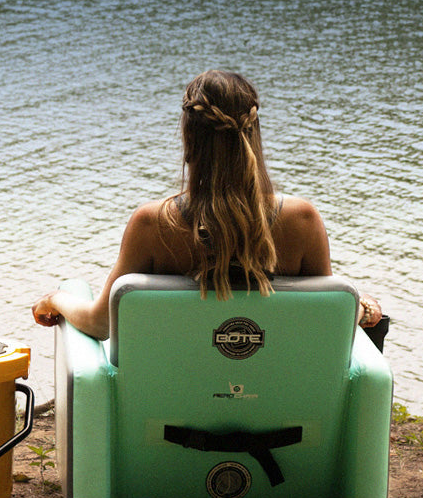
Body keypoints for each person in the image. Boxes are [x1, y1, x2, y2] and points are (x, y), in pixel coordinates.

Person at [30, 70, 388, 348]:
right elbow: (329, 318)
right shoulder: (301, 220)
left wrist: (56, 299)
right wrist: (364, 307)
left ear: (189, 141)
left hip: (169, 410)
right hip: (280, 409)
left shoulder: (153, 224)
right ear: (254, 136)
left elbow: (99, 324)